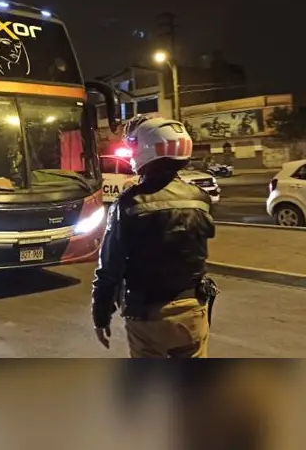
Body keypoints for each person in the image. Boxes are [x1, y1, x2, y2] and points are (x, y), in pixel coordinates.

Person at [91, 115, 218, 358]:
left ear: (148, 151)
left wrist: (101, 315)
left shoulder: (128, 204)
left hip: (148, 315)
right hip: (192, 309)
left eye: (135, 146)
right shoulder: (200, 198)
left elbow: (109, 268)